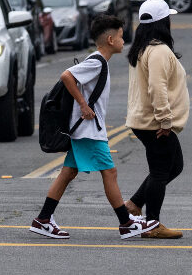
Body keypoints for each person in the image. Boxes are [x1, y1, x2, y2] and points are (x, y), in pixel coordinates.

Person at [30, 15, 159, 240]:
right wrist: (83, 104)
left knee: (69, 172)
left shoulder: (100, 62)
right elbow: (66, 75)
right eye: (120, 36)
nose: (123, 40)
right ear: (110, 39)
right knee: (109, 172)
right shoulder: (97, 62)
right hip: (88, 130)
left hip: (87, 129)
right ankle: (125, 222)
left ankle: (43, 218)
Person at [124, 0, 189, 239]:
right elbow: (157, 87)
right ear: (164, 22)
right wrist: (165, 121)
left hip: (145, 120)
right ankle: (152, 224)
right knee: (161, 170)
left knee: (174, 165)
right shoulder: (159, 50)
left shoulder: (143, 48)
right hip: (155, 123)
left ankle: (134, 204)